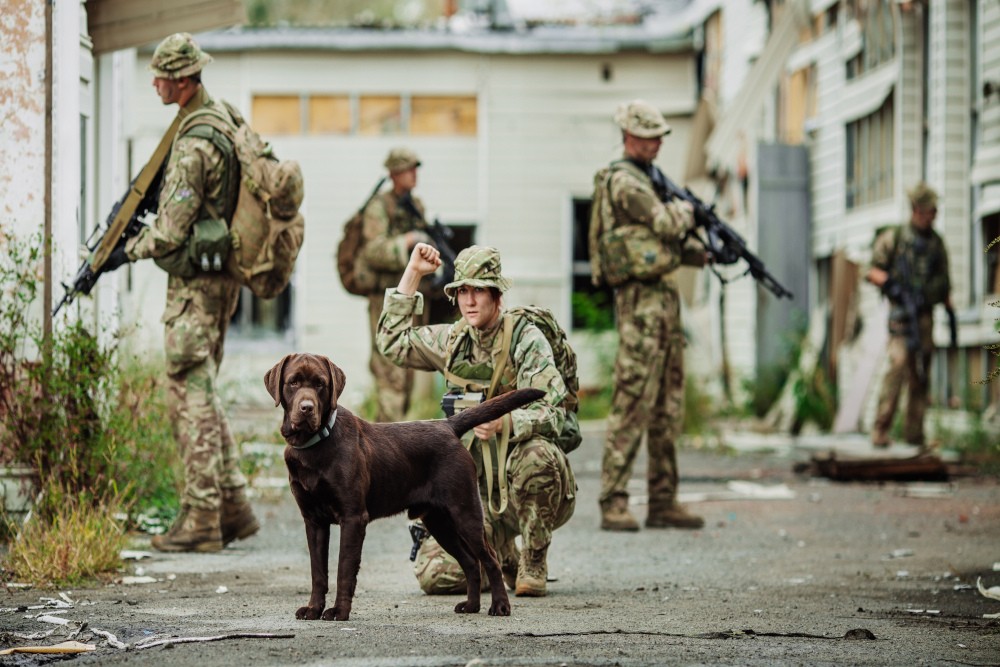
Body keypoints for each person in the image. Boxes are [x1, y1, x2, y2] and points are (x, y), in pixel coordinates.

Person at [111, 33, 258, 552]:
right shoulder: (223, 114)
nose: (152, 82)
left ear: (181, 79)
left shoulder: (195, 141)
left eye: (159, 76)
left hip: (195, 288)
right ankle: (234, 506)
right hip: (220, 285)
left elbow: (171, 230)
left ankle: (200, 518)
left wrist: (123, 252)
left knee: (187, 396)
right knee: (204, 391)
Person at [376, 244, 577, 597]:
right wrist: (413, 273)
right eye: (463, 291)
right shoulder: (454, 342)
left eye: (478, 290)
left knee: (538, 455)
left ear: (497, 294)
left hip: (523, 489)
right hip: (474, 496)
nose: (469, 301)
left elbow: (556, 413)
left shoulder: (525, 339)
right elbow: (393, 343)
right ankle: (499, 557)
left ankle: (533, 557)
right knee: (437, 577)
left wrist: (506, 423)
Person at [598, 99, 709, 532]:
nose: (656, 145)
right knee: (632, 401)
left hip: (664, 302)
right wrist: (689, 210)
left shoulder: (651, 179)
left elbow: (664, 241)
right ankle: (614, 500)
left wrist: (696, 251)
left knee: (668, 405)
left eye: (660, 137)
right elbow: (665, 223)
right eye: (649, 137)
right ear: (628, 136)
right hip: (640, 305)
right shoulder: (625, 181)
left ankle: (663, 499)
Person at [866, 182, 952, 448]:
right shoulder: (895, 238)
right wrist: (892, 285)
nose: (934, 215)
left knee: (921, 374)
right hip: (902, 316)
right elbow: (870, 271)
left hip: (925, 317)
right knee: (898, 367)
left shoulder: (936, 243)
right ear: (917, 209)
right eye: (930, 210)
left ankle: (915, 434)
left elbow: (945, 283)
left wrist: (944, 303)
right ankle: (880, 429)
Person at [360, 148, 435, 422]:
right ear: (393, 173)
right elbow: (372, 251)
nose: (414, 173)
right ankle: (383, 448)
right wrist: (407, 241)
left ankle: (396, 444)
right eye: (407, 168)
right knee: (390, 374)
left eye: (415, 168)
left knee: (408, 375)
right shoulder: (379, 207)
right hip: (387, 301)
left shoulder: (416, 206)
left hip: (414, 299)